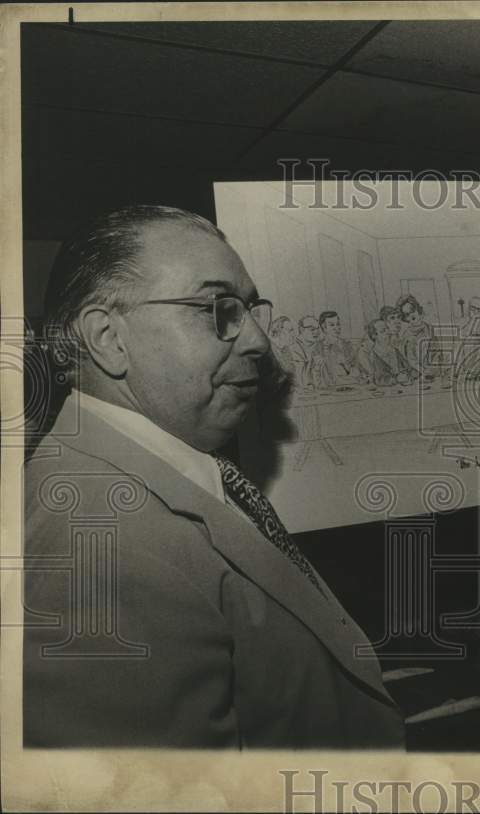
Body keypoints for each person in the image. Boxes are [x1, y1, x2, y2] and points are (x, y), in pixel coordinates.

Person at [23, 206, 404, 748]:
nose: (257, 342)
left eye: (250, 309)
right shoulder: (97, 540)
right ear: (108, 338)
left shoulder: (166, 473)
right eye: (218, 308)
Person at [366, 317, 416, 386]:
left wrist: (419, 372)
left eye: (387, 328)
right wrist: (397, 379)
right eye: (383, 331)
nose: (388, 332)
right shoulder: (373, 355)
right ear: (374, 336)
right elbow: (378, 380)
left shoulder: (394, 350)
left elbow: (409, 368)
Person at [397, 293, 434, 372]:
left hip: (432, 370)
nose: (411, 315)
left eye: (412, 310)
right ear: (405, 318)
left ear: (418, 309)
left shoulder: (429, 328)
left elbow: (436, 351)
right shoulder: (407, 335)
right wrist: (423, 371)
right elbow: (411, 359)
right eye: (407, 314)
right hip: (416, 372)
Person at [318, 309, 357, 381]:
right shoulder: (319, 346)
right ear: (324, 328)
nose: (337, 328)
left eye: (338, 324)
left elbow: (355, 368)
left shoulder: (347, 345)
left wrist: (346, 365)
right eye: (332, 325)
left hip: (350, 383)